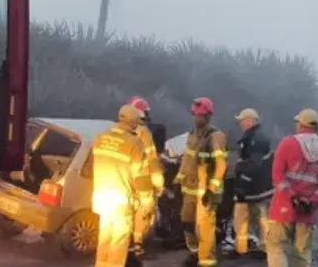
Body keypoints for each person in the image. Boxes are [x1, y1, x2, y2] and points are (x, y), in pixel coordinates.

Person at [267, 108, 318, 267]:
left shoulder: (288, 143)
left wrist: (293, 197)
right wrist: (311, 202)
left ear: (301, 125)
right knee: (302, 253)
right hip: (307, 212)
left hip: (284, 208)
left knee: (277, 247)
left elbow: (278, 175)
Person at [92, 104, 153, 267]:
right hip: (120, 201)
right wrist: (147, 200)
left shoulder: (100, 138)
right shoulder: (134, 143)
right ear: (134, 122)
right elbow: (140, 176)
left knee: (104, 239)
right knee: (118, 243)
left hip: (101, 200)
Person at [173, 97, 228, 267]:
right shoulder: (192, 134)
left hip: (206, 192)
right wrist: (178, 180)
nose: (196, 119)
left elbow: (221, 166)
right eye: (195, 115)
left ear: (208, 116)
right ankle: (195, 253)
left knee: (204, 227)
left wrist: (211, 189)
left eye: (200, 116)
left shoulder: (216, 137)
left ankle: (206, 261)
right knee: (187, 222)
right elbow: (187, 160)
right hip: (190, 188)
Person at [126, 96, 165, 261]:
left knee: (127, 211)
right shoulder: (144, 132)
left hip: (122, 179)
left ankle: (125, 245)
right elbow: (152, 159)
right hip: (141, 178)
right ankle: (138, 245)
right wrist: (159, 183)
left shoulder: (118, 130)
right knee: (144, 209)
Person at [233, 108, 274, 258]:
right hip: (255, 187)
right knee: (248, 216)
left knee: (261, 218)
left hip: (257, 187)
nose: (240, 124)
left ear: (251, 120)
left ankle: (266, 249)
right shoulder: (252, 136)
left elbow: (254, 164)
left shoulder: (257, 138)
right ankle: (245, 248)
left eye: (242, 121)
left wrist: (242, 184)